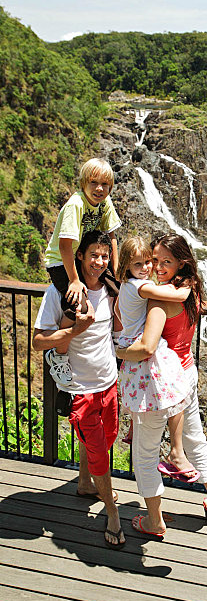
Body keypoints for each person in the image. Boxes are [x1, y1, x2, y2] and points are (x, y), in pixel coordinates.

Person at [116, 233, 207, 538]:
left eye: (167, 262)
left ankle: (154, 521)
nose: (158, 267)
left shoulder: (159, 300)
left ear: (181, 263)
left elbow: (147, 348)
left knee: (146, 453)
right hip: (186, 375)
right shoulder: (191, 291)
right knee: (196, 440)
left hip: (159, 384)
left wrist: (116, 351)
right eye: (155, 260)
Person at [33, 230, 125, 549]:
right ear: (79, 257)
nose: (98, 262)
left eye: (104, 256)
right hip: (79, 390)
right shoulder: (59, 294)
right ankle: (112, 514)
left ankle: (86, 484)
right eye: (92, 255)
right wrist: (75, 330)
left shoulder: (111, 289)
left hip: (108, 382)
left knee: (107, 439)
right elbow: (38, 341)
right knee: (99, 452)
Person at [116, 236, 199, 482]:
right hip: (141, 346)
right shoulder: (142, 287)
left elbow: (118, 312)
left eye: (149, 262)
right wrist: (187, 285)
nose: (148, 268)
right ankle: (176, 451)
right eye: (139, 264)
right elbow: (179, 297)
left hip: (129, 341)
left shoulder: (128, 285)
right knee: (177, 391)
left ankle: (133, 429)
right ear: (127, 267)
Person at [43, 158, 121, 386]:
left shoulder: (105, 203)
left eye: (105, 184)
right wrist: (75, 281)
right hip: (61, 261)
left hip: (84, 258)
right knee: (77, 304)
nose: (99, 188)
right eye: (94, 182)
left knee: (117, 291)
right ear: (83, 182)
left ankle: (117, 344)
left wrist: (114, 271)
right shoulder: (75, 205)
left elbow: (112, 236)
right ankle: (58, 355)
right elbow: (65, 245)